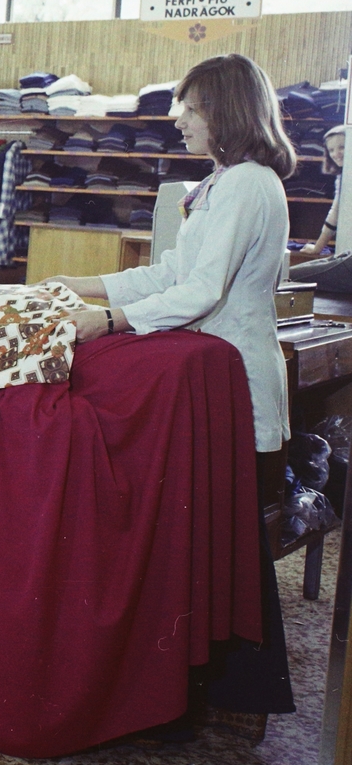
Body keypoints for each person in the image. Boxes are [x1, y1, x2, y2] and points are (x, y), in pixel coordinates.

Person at [50, 52, 296, 729]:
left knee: (231, 545)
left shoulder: (247, 184)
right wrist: (87, 286)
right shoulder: (226, 182)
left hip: (235, 387)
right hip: (212, 387)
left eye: (191, 106)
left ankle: (230, 693)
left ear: (226, 109)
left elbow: (200, 289)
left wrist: (109, 319)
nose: (178, 117)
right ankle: (212, 690)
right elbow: (169, 273)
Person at [305, 125, 345, 256]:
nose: (336, 154)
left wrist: (317, 248)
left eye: (342, 147)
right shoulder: (343, 174)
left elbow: (336, 213)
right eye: (331, 150)